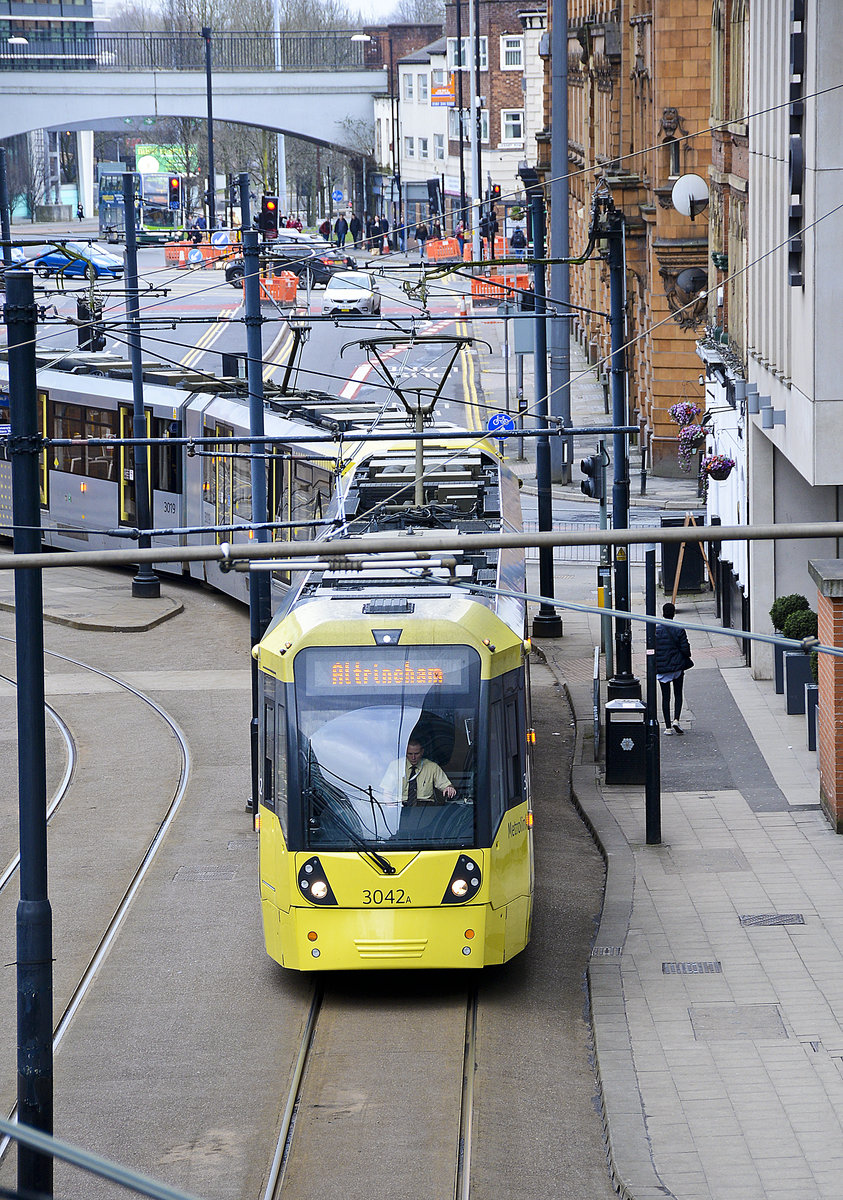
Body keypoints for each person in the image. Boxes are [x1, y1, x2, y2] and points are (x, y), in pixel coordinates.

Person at [654, 602, 693, 735]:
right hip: (677, 667)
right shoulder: (679, 629)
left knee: (665, 698)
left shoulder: (656, 630)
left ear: (663, 613)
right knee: (678, 694)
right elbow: (686, 649)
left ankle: (668, 727)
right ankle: (676, 719)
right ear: (673, 613)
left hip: (663, 669)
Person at [381, 739, 456, 804]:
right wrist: (390, 806)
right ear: (405, 752)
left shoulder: (432, 767)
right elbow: (387, 791)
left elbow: (446, 785)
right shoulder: (395, 766)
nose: (413, 757)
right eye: (410, 754)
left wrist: (449, 788)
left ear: (422, 752)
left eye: (416, 754)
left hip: (425, 807)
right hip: (400, 806)